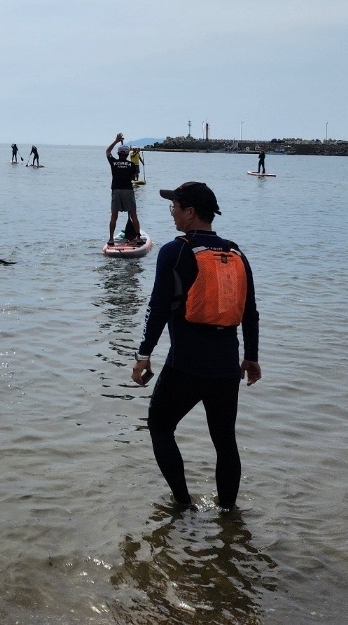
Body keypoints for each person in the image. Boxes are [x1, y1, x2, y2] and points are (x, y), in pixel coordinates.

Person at [131, 181, 260, 510]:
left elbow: (158, 307)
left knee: (160, 426)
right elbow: (250, 311)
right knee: (224, 440)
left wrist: (143, 355)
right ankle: (228, 516)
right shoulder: (235, 253)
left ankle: (183, 504)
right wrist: (251, 358)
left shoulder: (175, 252)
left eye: (174, 206)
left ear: (190, 212)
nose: (172, 212)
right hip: (227, 368)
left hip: (186, 366)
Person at [106, 134, 138, 246]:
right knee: (133, 214)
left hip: (116, 191)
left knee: (114, 216)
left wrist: (115, 141)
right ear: (127, 154)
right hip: (128, 190)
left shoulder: (114, 162)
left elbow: (107, 152)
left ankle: (111, 239)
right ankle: (137, 238)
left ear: (119, 153)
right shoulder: (132, 164)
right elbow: (133, 177)